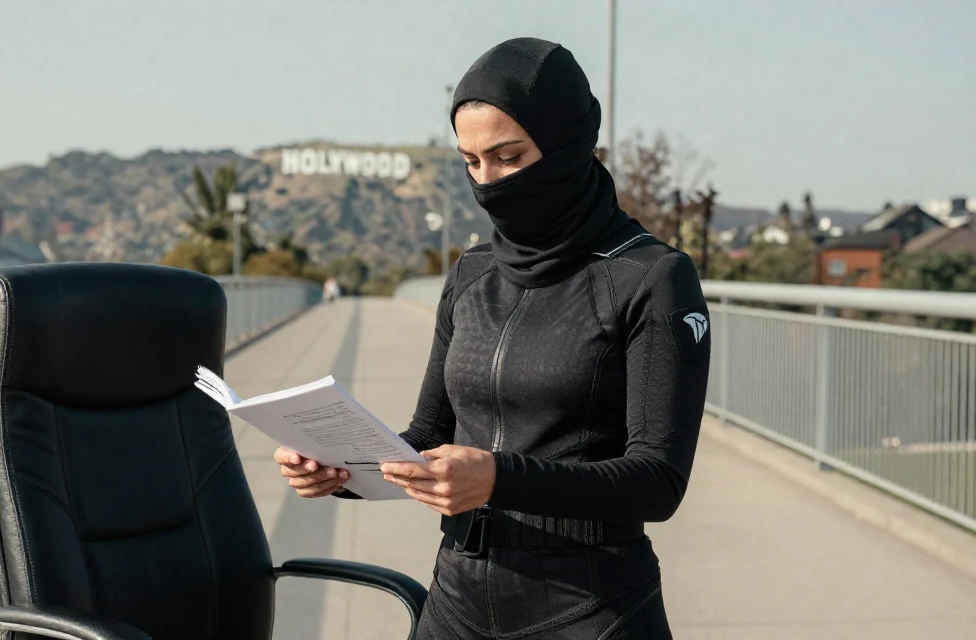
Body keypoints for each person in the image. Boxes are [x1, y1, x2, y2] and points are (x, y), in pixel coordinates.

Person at [274, 37, 710, 639]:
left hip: (591, 610)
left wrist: (500, 478)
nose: (489, 181)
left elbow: (658, 482)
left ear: (568, 142)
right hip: (456, 601)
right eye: (471, 161)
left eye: (508, 156)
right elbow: (427, 437)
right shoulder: (471, 274)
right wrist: (339, 471)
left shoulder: (651, 277)